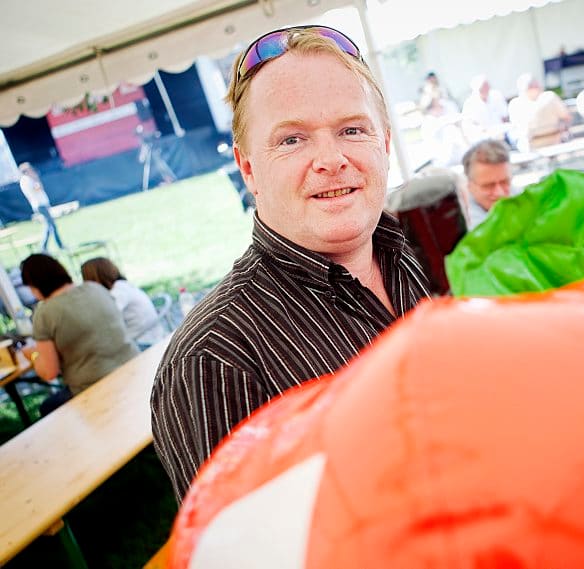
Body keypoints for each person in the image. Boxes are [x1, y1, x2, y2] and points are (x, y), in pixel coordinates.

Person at [151, 25, 431, 502]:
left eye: (351, 130)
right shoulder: (215, 360)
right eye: (292, 140)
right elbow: (240, 540)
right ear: (248, 169)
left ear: (384, 143)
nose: (331, 159)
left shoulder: (431, 257)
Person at [19, 254, 139, 415]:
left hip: (95, 386)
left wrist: (33, 355)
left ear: (34, 286)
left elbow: (49, 372)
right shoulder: (95, 288)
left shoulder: (45, 313)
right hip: (133, 365)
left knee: (47, 407)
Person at [81, 257, 168, 350]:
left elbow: (106, 319)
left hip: (144, 341)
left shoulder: (118, 292)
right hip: (151, 334)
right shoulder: (122, 285)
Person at [461, 139, 517, 229]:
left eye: (505, 182)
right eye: (488, 186)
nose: (500, 193)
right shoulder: (464, 224)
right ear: (469, 186)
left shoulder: (524, 197)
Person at [508, 73, 571, 152]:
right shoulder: (550, 97)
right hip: (555, 143)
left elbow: (516, 127)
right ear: (537, 85)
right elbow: (567, 117)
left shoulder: (515, 104)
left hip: (531, 148)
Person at [18, 162, 65, 251]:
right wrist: (36, 178)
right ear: (26, 171)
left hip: (41, 204)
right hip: (40, 205)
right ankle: (59, 245)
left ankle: (44, 247)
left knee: (48, 225)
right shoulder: (27, 180)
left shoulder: (27, 179)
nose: (32, 170)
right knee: (52, 225)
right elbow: (38, 188)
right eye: (30, 169)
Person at [460, 74, 510, 143]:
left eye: (486, 87)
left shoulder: (496, 95)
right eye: (482, 89)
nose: (485, 90)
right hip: (484, 137)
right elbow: (469, 125)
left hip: (502, 132)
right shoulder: (469, 104)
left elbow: (505, 116)